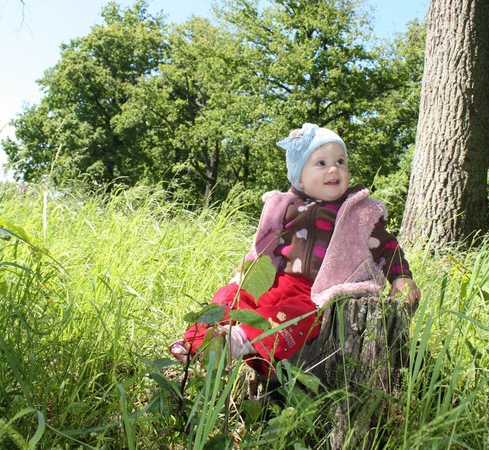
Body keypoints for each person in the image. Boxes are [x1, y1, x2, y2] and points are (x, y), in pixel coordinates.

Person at [169, 123, 421, 375]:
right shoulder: (286, 207)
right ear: (300, 177)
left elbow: (387, 247)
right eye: (321, 163)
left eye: (341, 161)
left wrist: (401, 276)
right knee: (232, 294)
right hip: (276, 281)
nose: (334, 168)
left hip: (314, 291)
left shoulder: (357, 213)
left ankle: (240, 340)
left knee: (293, 316)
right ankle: (199, 342)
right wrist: (247, 270)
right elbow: (264, 246)